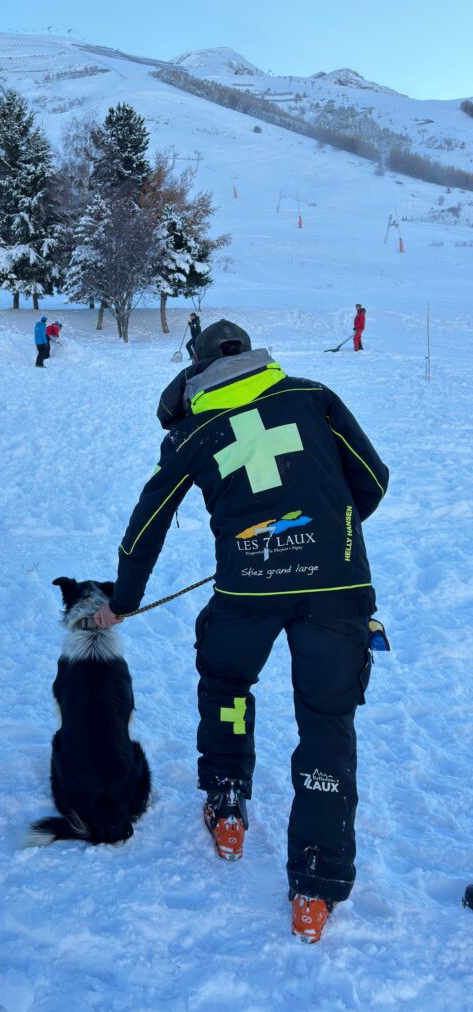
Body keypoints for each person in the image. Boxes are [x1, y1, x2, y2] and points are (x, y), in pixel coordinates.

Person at [93, 319, 389, 942]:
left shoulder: (193, 431)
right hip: (336, 591)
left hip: (246, 592)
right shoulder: (314, 397)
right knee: (327, 727)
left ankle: (227, 800)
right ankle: (315, 886)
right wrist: (321, 533)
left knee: (227, 685)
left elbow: (146, 524)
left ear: (197, 370)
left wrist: (123, 600)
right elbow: (373, 479)